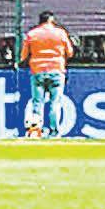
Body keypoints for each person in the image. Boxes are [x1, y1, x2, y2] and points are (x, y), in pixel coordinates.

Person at [20, 9, 75, 138]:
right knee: (55, 102)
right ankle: (54, 131)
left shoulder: (32, 34)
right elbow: (70, 52)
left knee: (37, 102)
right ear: (51, 20)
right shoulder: (60, 33)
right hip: (57, 69)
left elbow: (23, 55)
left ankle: (36, 130)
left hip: (38, 70)